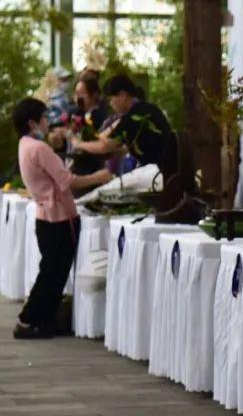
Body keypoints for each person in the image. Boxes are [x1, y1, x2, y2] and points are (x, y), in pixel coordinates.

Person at [11, 98, 112, 339]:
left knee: (53, 271)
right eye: (44, 118)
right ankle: (29, 318)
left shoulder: (25, 145)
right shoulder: (39, 148)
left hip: (45, 216)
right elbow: (68, 180)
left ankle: (44, 319)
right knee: (52, 272)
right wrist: (99, 177)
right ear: (33, 122)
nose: (48, 122)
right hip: (58, 218)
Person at [72, 74, 177, 177]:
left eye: (111, 99)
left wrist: (78, 144)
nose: (111, 104)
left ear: (122, 95)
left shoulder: (131, 118)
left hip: (156, 174)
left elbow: (104, 146)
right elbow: (126, 147)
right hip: (169, 171)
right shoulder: (149, 108)